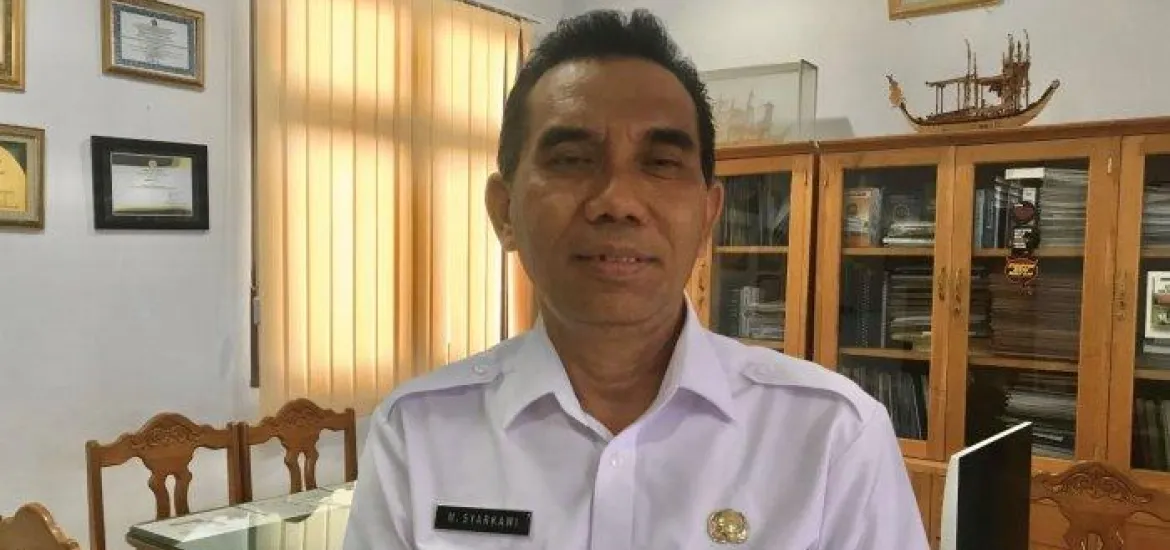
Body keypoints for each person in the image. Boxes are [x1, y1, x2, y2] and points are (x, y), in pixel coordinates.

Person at [342, 8, 930, 550]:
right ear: (504, 212)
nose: (618, 201)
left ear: (707, 216)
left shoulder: (832, 437)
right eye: (572, 160)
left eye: (661, 163)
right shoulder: (420, 433)